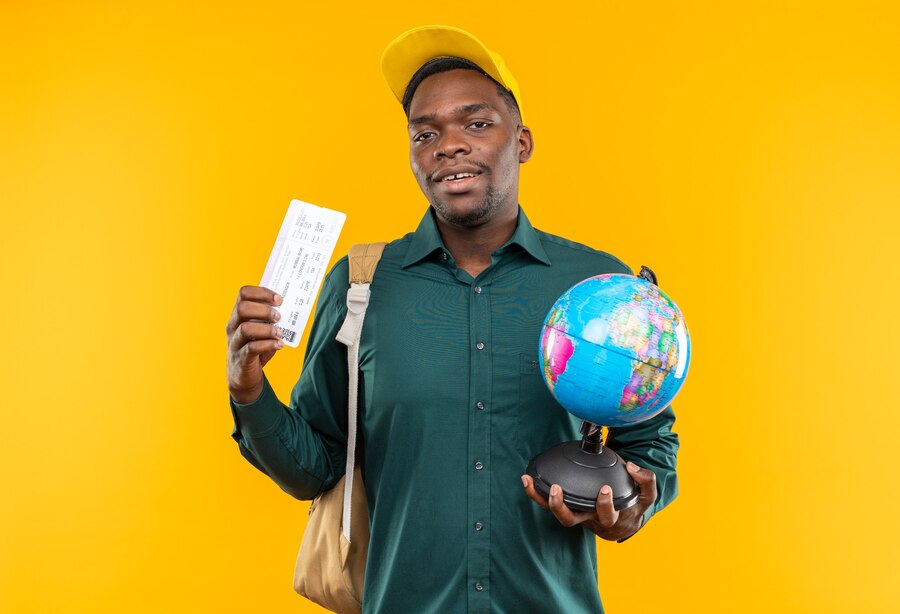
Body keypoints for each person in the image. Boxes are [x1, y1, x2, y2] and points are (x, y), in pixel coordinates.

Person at [226, 25, 679, 613]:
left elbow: (650, 443)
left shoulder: (599, 290)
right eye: (425, 132)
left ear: (522, 142)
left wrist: (631, 509)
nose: (449, 145)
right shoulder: (360, 285)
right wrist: (249, 390)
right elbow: (312, 469)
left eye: (477, 123)